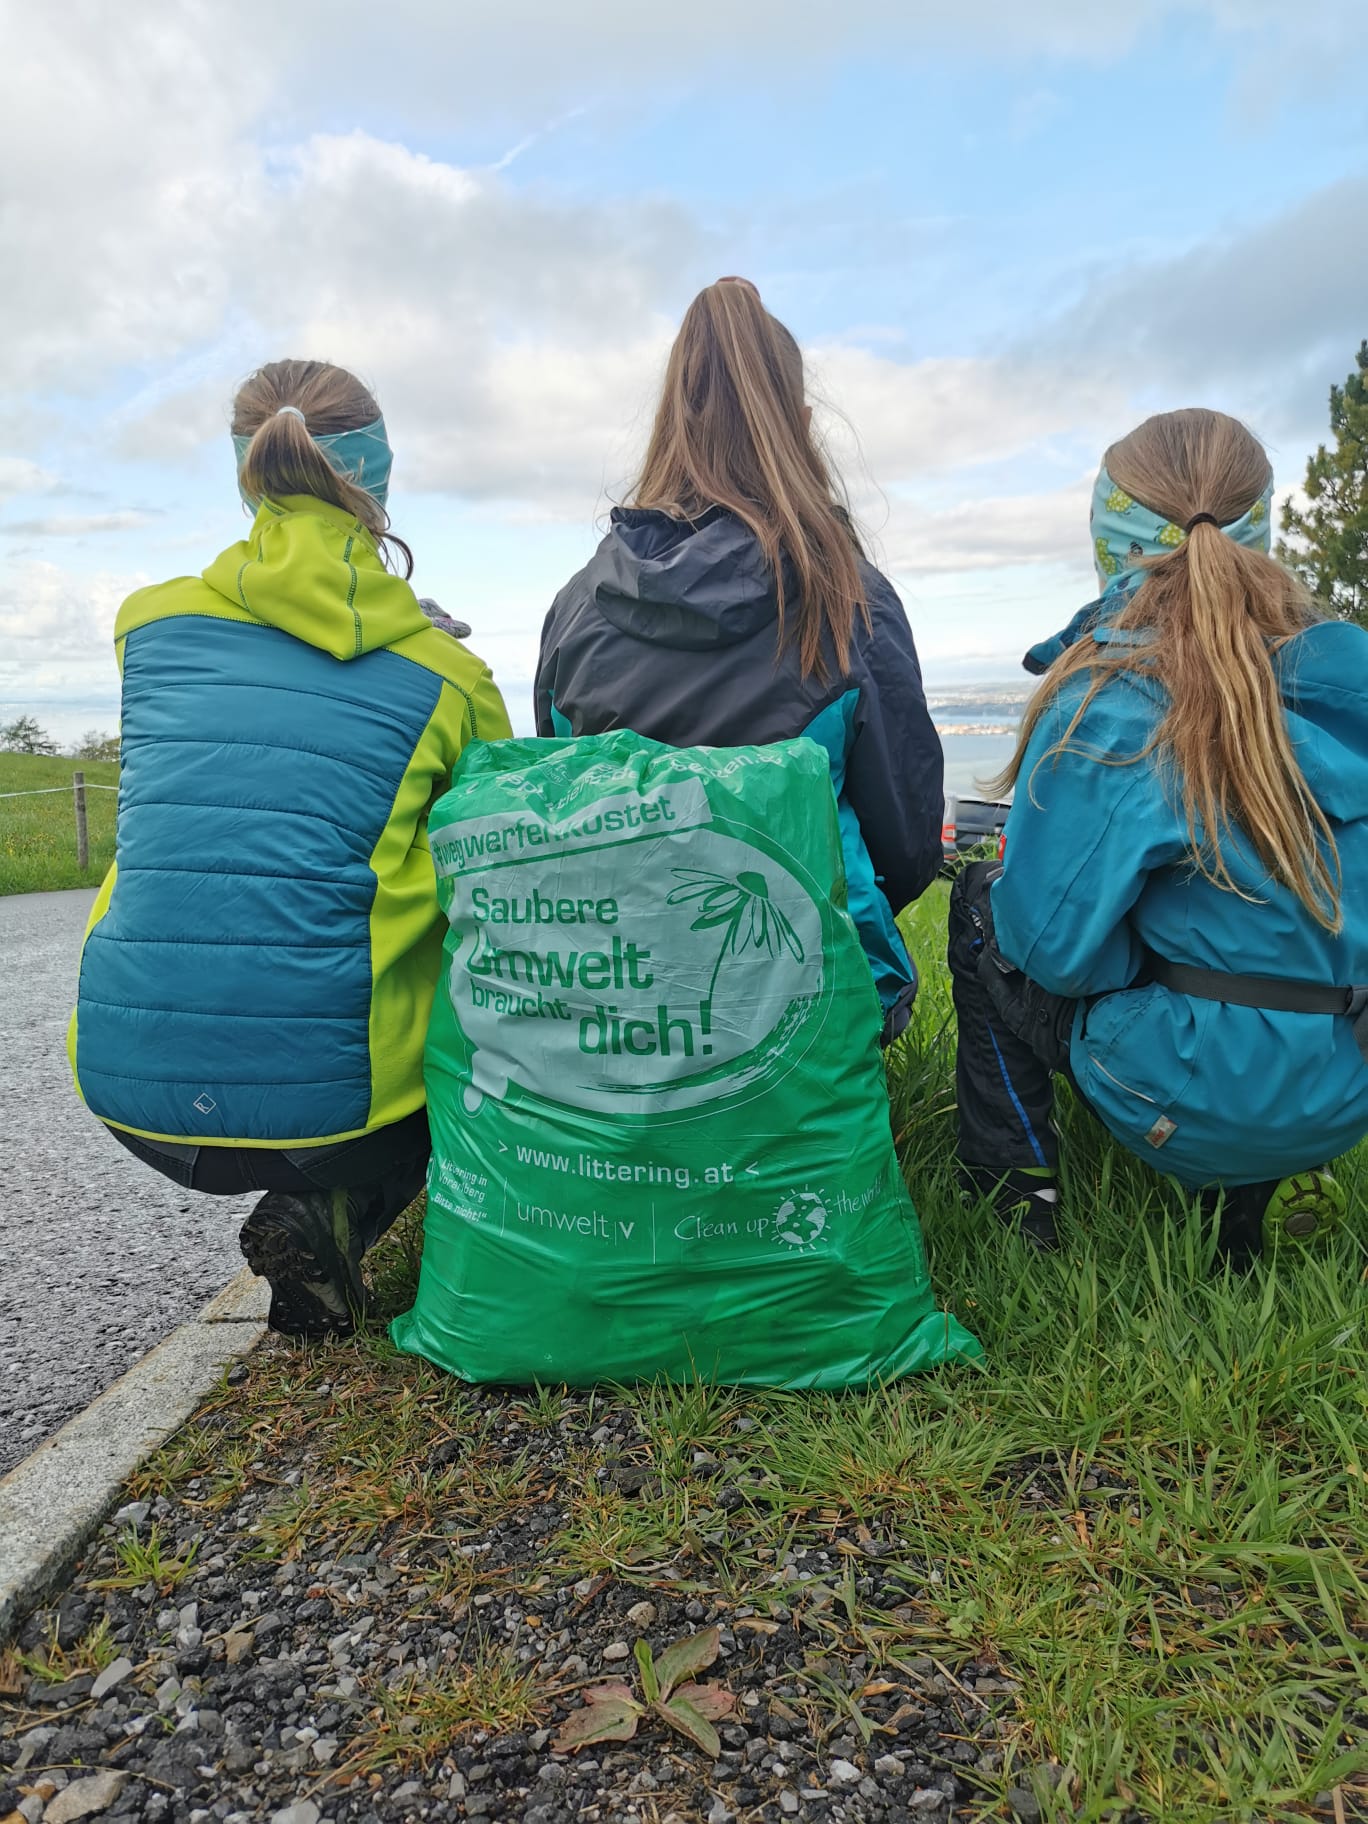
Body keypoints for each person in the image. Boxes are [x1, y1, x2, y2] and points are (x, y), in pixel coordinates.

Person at [69, 359, 511, 1337]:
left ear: (249, 470)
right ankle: (332, 1211)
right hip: (341, 1119)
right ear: (378, 475)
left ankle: (317, 1213)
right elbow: (498, 877)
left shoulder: (148, 625)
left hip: (128, 1087)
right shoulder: (449, 676)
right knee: (478, 964)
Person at [949, 407, 1368, 1260]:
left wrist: (1130, 960)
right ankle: (1252, 1198)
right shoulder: (1347, 675)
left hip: (1194, 1092)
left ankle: (1014, 1196)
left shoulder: (1112, 702)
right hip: (1349, 1083)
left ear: (1112, 540)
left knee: (980, 907)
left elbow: (1053, 954)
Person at [535, 278, 943, 1044]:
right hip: (816, 1002)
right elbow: (909, 847)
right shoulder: (850, 599)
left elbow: (564, 807)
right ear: (801, 426)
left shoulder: (577, 608)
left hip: (621, 994)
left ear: (668, 425)